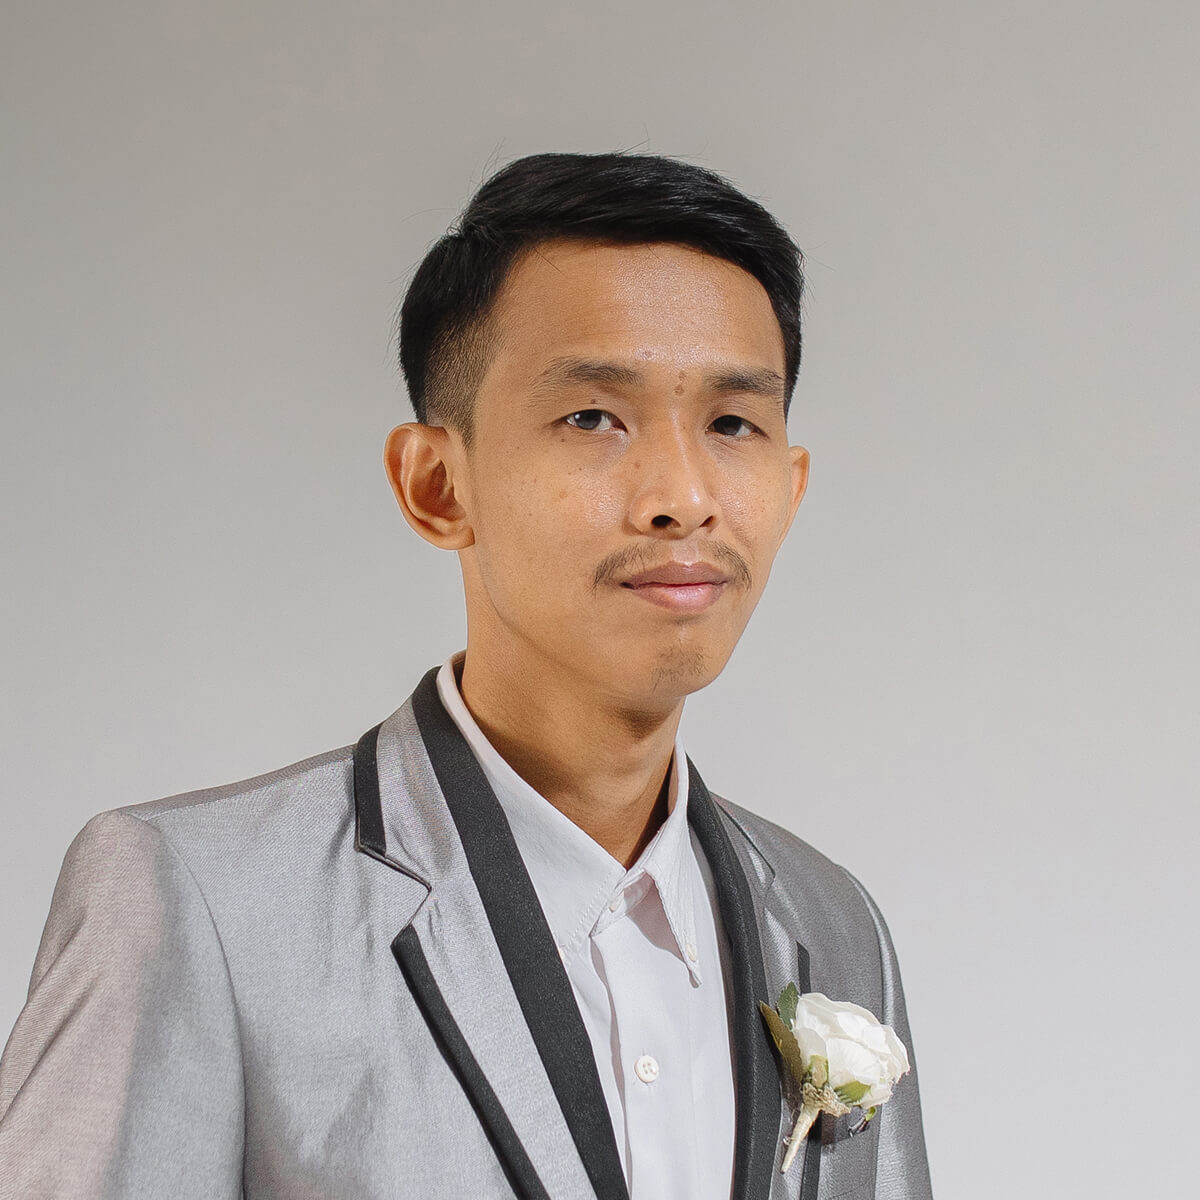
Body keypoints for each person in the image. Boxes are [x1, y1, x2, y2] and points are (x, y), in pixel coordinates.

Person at [0, 152, 933, 1200]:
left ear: (792, 488)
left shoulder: (831, 923)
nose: (683, 495)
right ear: (437, 484)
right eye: (593, 417)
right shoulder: (202, 900)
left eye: (731, 423)